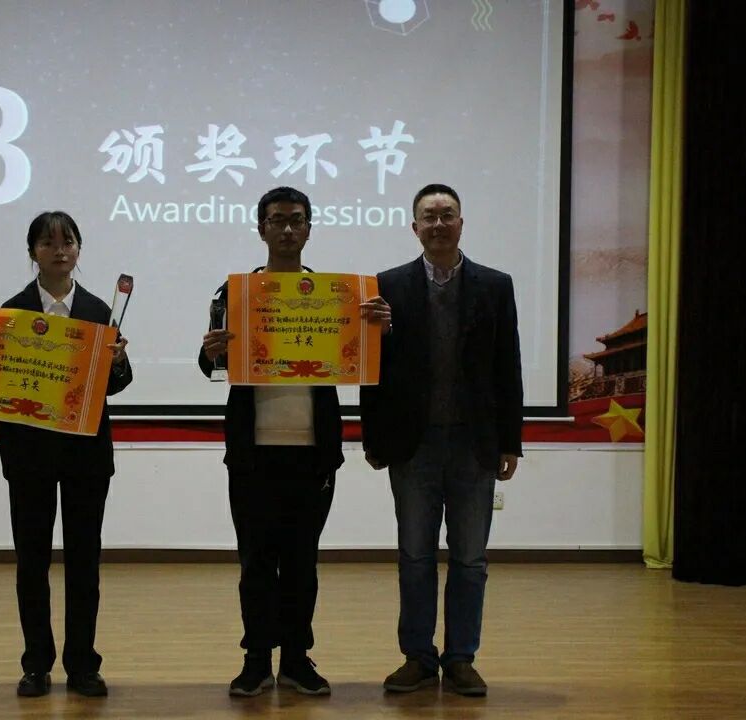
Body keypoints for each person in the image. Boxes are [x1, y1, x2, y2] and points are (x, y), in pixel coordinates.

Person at [0, 211, 131, 698]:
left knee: (84, 563)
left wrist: (118, 362)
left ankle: (83, 665)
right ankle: (35, 664)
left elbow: (116, 385)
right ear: (33, 253)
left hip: (87, 457)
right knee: (32, 563)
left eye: (68, 242)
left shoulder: (98, 311)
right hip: (29, 457)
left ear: (79, 249)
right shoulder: (8, 315)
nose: (60, 251)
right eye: (48, 243)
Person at [360, 183, 523, 696]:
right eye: (428, 216)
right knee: (415, 556)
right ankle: (417, 657)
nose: (438, 224)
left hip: (475, 445)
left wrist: (510, 441)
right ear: (415, 228)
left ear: (461, 223)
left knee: (470, 558)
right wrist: (373, 438)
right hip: (414, 445)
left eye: (446, 214)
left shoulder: (495, 285)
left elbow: (508, 366)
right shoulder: (387, 285)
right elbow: (372, 368)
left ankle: (461, 659)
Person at [198, 187, 342, 697]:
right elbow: (212, 364)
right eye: (277, 220)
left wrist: (374, 331)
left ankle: (297, 659)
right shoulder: (235, 292)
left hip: (313, 450)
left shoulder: (331, 296)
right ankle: (256, 659)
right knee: (256, 561)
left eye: (296, 220)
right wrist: (211, 351)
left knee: (302, 562)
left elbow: (357, 357)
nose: (286, 229)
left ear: (309, 229)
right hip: (252, 450)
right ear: (261, 229)